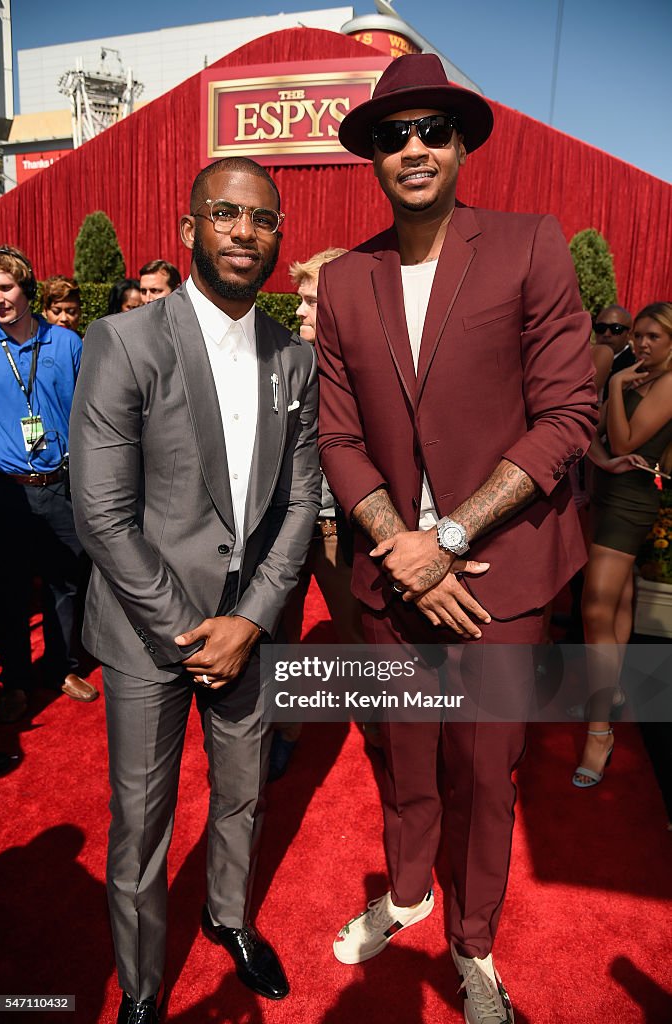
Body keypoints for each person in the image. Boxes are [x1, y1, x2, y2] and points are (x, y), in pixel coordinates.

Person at [315, 54, 597, 1023]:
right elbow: (337, 435)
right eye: (392, 136)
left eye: (432, 129)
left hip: (502, 570)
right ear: (373, 158)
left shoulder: (529, 246)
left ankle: (473, 947)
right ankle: (406, 892)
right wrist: (401, 545)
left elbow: (567, 413)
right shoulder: (348, 279)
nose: (414, 149)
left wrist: (449, 532)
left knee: (484, 772)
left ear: (463, 143)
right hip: (392, 570)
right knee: (403, 754)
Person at [69, 157, 320, 1024]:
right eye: (226, 214)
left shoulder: (295, 358)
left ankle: (230, 919)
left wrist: (247, 622)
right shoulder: (125, 341)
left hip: (249, 632)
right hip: (148, 635)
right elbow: (101, 515)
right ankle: (141, 987)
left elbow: (300, 503)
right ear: (189, 230)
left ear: (278, 239)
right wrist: (194, 632)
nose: (246, 233)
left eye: (263, 221)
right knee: (141, 822)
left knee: (243, 792)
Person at [0, 246, 98, 723]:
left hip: (59, 484)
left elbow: (88, 417)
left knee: (66, 584)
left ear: (27, 289)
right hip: (3, 491)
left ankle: (61, 668)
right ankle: (15, 681)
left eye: (5, 287)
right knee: (8, 589)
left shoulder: (67, 344)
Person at [269, 247, 363, 781]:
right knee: (279, 631)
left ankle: (377, 729)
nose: (299, 312)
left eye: (310, 302)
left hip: (334, 528)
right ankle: (286, 729)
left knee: (355, 631)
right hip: (282, 526)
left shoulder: (368, 368)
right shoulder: (284, 360)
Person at [575, 302, 672, 788]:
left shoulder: (663, 382)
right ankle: (610, 691)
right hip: (608, 492)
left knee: (595, 607)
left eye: (654, 336)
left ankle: (600, 733)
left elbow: (624, 436)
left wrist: (613, 385)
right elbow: (590, 433)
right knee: (616, 602)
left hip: (633, 502)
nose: (642, 342)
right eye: (638, 334)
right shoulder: (636, 375)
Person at [594, 304, 636, 401]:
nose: (606, 334)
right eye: (601, 328)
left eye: (616, 329)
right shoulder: (583, 360)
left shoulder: (634, 367)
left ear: (629, 334)